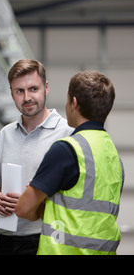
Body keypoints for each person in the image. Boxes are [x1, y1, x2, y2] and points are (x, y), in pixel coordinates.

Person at [16, 70, 124, 255]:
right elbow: (88, 215)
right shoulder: (114, 157)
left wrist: (42, 204)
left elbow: (23, 209)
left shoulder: (66, 150)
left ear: (73, 103)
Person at [0, 59, 73, 255]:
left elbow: (75, 195)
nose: (27, 97)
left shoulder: (67, 134)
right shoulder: (6, 134)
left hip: (46, 237)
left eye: (33, 89)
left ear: (46, 88)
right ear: (11, 93)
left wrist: (34, 200)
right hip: (6, 238)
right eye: (19, 91)